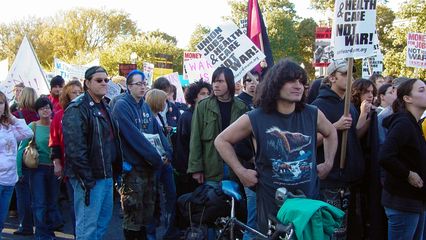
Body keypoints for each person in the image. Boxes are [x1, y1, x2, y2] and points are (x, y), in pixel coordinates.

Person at [214, 58, 338, 234]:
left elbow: (331, 132)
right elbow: (221, 140)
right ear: (275, 84)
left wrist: (329, 163)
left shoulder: (312, 113)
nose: (298, 86)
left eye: (301, 82)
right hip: (272, 206)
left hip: (308, 203)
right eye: (291, 81)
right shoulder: (255, 117)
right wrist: (241, 172)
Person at [62, 66, 122, 240]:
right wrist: (86, 179)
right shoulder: (77, 108)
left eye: (106, 79)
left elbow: (112, 141)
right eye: (99, 80)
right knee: (87, 227)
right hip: (90, 178)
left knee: (102, 224)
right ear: (87, 83)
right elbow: (74, 149)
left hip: (106, 174)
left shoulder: (106, 106)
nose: (104, 83)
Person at [311, 59, 366, 238]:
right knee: (330, 229)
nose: (350, 78)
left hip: (347, 178)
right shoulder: (318, 106)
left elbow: (353, 137)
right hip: (329, 178)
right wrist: (335, 126)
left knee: (343, 229)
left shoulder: (349, 106)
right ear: (332, 78)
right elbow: (310, 141)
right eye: (344, 74)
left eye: (352, 74)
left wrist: (365, 115)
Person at [111, 70, 167, 240]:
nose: (142, 87)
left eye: (144, 84)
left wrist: (167, 152)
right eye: (138, 84)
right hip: (132, 170)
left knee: (146, 214)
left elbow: (158, 132)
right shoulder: (122, 106)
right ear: (128, 87)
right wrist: (157, 158)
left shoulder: (145, 106)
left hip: (149, 168)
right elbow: (135, 138)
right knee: (133, 215)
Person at [379, 79, 426, 239]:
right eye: (421, 90)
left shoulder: (414, 123)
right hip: (403, 201)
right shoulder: (403, 123)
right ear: (407, 98)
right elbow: (385, 156)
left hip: (415, 200)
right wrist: (408, 174)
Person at [187, 66, 248, 185]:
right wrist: (196, 168)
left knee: (235, 203)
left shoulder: (241, 107)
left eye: (220, 81)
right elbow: (195, 139)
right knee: (213, 201)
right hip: (212, 168)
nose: (215, 85)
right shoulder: (203, 106)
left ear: (230, 83)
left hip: (235, 167)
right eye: (214, 81)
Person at [17, 97, 59, 239]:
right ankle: (41, 233)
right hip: (37, 169)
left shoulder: (56, 124)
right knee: (39, 203)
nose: (45, 110)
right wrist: (19, 171)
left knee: (52, 203)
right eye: (42, 108)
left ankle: (49, 231)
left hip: (54, 168)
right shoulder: (32, 126)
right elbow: (21, 149)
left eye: (47, 107)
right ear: (37, 112)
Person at [48, 80, 83, 236]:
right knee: (74, 204)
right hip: (69, 168)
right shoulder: (60, 115)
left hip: (88, 167)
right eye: (74, 92)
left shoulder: (87, 112)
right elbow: (54, 142)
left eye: (79, 92)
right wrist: (57, 163)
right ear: (67, 94)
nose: (77, 95)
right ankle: (78, 235)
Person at [144, 88, 177, 240]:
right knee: (153, 198)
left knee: (170, 194)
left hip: (165, 162)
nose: (166, 103)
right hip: (155, 164)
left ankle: (169, 226)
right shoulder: (148, 118)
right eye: (164, 100)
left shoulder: (159, 117)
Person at [0, 91, 33, 238]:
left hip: (9, 179)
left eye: (1, 103)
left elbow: (28, 134)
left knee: (1, 220)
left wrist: (13, 119)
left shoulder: (10, 126)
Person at [174, 80, 212, 196]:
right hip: (189, 172)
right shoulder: (187, 117)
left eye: (208, 93)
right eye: (202, 93)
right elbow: (188, 146)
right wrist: (194, 170)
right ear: (194, 97)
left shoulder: (206, 114)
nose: (206, 96)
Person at [12, 86, 38, 236]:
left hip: (20, 158)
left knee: (22, 193)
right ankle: (37, 221)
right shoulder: (40, 115)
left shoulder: (15, 116)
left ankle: (25, 225)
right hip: (37, 157)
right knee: (36, 193)